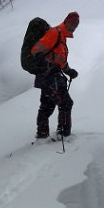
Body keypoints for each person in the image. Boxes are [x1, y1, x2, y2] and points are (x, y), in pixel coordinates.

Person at [31, 11, 79, 140]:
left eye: (76, 25)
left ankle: (42, 135)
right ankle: (63, 134)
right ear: (66, 21)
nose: (73, 27)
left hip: (50, 76)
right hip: (49, 75)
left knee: (47, 105)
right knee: (66, 103)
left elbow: (59, 60)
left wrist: (69, 71)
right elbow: (36, 50)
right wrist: (45, 62)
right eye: (72, 23)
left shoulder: (62, 37)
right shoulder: (55, 32)